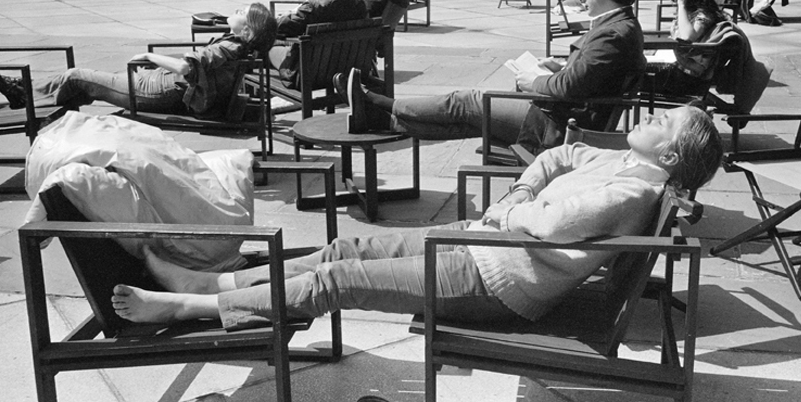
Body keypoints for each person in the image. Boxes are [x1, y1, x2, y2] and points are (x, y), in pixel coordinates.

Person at [110, 103, 724, 328]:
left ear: (670, 156)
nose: (653, 115)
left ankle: (187, 305)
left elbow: (553, 224)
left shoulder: (632, 191)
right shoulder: (619, 159)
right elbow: (557, 155)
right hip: (486, 243)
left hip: (501, 281)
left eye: (664, 121)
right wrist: (520, 194)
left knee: (338, 280)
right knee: (343, 249)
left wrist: (520, 211)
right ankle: (212, 284)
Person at [341, 0, 646, 154]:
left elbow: (570, 87)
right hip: (562, 118)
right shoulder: (619, 26)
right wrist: (561, 66)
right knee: (468, 121)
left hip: (556, 127)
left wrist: (533, 80)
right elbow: (589, 76)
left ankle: (385, 104)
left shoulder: (613, 34)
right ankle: (381, 120)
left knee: (465, 101)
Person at [0, 4, 277, 118]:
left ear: (248, 30)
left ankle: (26, 93)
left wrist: (150, 55)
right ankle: (29, 94)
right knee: (87, 84)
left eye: (242, 11)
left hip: (159, 91)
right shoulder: (237, 47)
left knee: (77, 76)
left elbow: (185, 67)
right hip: (166, 86)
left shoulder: (227, 47)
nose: (237, 9)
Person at [652, 0, 773, 115]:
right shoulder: (696, 12)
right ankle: (729, 108)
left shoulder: (703, 14)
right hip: (684, 72)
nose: (673, 2)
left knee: (639, 76)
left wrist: (681, 5)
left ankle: (728, 109)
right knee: (642, 71)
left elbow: (687, 37)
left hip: (687, 78)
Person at [269, 0, 369, 87]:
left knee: (268, 46)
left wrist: (286, 16)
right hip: (346, 70)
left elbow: (277, 28)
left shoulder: (313, 9)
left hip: (309, 76)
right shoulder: (359, 4)